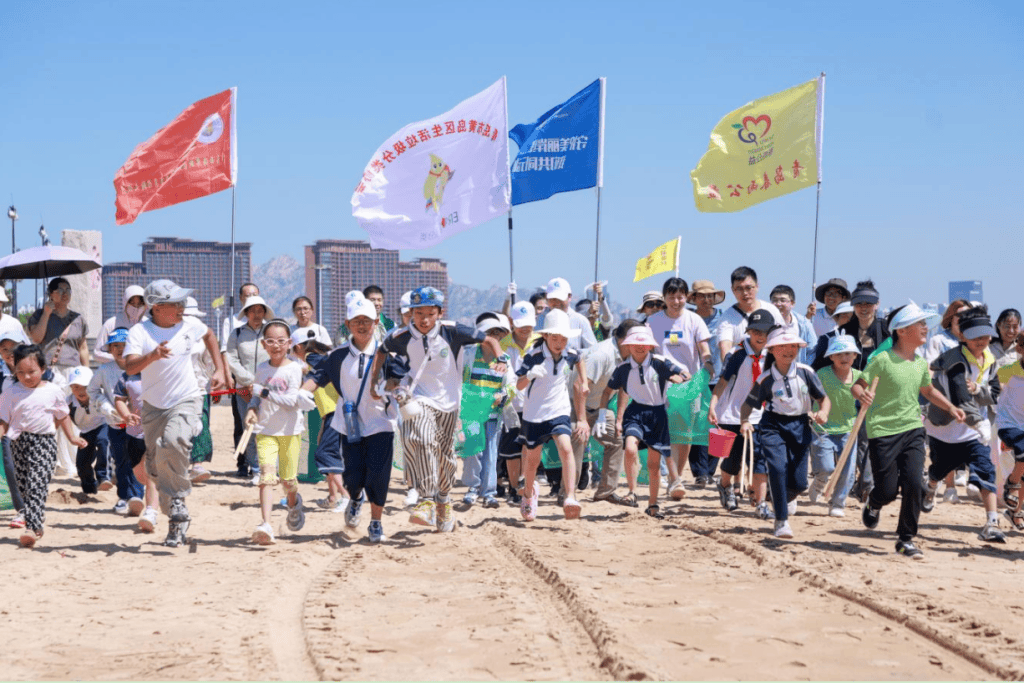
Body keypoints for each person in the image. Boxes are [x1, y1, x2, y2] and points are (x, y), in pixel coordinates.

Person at [370, 286, 504, 532]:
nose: (423, 319)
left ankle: (443, 499)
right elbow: (381, 351)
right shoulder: (401, 336)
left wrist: (500, 359)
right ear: (410, 313)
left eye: (429, 313)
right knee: (418, 436)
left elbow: (491, 339)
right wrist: (373, 382)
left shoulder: (453, 331)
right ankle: (427, 499)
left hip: (450, 404)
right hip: (419, 399)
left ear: (439, 313)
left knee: (446, 458)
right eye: (417, 313)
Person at [853, 302, 966, 560]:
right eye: (920, 323)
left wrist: (951, 407)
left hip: (913, 428)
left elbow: (927, 391)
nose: (926, 327)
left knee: (916, 483)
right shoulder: (882, 359)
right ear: (902, 331)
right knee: (888, 489)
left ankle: (906, 539)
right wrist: (863, 394)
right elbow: (858, 385)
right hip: (882, 431)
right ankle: (874, 502)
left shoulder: (919, 362)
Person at [124, 279, 227, 548]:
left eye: (182, 301)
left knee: (175, 441)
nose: (181, 306)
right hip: (153, 406)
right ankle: (176, 518)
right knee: (156, 465)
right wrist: (152, 356)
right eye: (175, 303)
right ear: (156, 307)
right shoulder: (140, 332)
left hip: (186, 399)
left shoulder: (189, 325)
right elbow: (130, 366)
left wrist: (219, 369)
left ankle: (178, 498)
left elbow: (210, 335)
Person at [306, 298, 396, 542]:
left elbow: (400, 378)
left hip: (381, 422)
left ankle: (376, 522)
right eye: (357, 321)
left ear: (376, 322)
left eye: (367, 321)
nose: (362, 325)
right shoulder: (337, 356)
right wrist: (301, 394)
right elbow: (317, 377)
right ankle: (355, 499)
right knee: (353, 477)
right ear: (347, 324)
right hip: (350, 424)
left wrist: (389, 387)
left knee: (378, 475)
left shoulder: (387, 353)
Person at [921, 307, 1005, 542]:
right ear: (962, 336)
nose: (982, 341)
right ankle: (930, 486)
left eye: (986, 335)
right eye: (976, 336)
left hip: (973, 433)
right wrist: (979, 422)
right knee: (940, 467)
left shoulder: (990, 360)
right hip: (945, 427)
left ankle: (991, 523)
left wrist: (979, 389)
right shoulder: (954, 360)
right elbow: (959, 395)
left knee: (985, 470)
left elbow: (995, 392)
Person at [740, 327, 829, 538]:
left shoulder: (806, 372)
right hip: (772, 426)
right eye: (782, 346)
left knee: (799, 483)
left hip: (801, 425)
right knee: (777, 468)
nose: (788, 350)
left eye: (793, 346)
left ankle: (775, 495)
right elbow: (748, 404)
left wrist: (823, 412)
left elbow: (823, 398)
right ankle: (781, 521)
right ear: (772, 350)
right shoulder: (766, 379)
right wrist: (744, 421)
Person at [0, 344, 87, 547]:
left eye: (31, 372)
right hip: (18, 444)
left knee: (36, 485)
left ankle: (32, 526)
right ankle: (36, 521)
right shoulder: (10, 393)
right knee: (23, 487)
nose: (27, 377)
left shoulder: (53, 391)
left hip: (44, 443)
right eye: (20, 372)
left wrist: (73, 438)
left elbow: (63, 416)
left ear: (43, 368)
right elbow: (3, 420)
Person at [598, 326, 686, 519]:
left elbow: (684, 374)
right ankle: (632, 491)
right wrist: (602, 414)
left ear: (650, 345)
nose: (640, 347)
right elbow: (607, 392)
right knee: (629, 448)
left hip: (658, 414)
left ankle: (653, 504)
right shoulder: (622, 368)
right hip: (635, 411)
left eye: (643, 343)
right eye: (635, 343)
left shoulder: (660, 362)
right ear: (628, 345)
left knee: (654, 465)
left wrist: (677, 378)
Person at [245, 319, 316, 545]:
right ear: (264, 344)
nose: (276, 345)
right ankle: (265, 524)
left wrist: (264, 393)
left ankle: (294, 503)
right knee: (266, 476)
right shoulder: (262, 368)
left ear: (290, 343)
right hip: (265, 430)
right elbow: (256, 396)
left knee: (288, 481)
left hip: (289, 432)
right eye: (271, 341)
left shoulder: (295, 369)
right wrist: (252, 409)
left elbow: (291, 402)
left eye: (281, 341)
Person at [515, 309, 588, 521]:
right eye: (554, 337)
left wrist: (583, 381)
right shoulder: (533, 356)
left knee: (566, 448)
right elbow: (518, 385)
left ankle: (570, 497)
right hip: (534, 413)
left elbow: (580, 358)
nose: (559, 342)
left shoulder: (570, 353)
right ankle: (528, 495)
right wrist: (529, 375)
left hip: (559, 410)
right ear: (545, 336)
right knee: (532, 461)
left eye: (563, 338)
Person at [645, 277, 714, 498]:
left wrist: (708, 362)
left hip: (687, 385)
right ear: (664, 298)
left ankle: (676, 478)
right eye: (672, 297)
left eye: (681, 296)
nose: (676, 301)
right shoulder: (653, 322)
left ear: (687, 297)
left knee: (683, 435)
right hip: (659, 383)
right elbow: (646, 350)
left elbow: (703, 348)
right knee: (663, 431)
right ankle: (668, 475)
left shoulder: (694, 320)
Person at [708, 309, 776, 517]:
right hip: (733, 412)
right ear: (749, 332)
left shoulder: (773, 354)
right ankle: (725, 485)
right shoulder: (737, 355)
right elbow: (722, 382)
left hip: (760, 414)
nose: (760, 335)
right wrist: (713, 405)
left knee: (758, 458)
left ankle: (760, 500)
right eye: (755, 331)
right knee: (733, 458)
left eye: (765, 331)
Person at [27, 277, 90, 474]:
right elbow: (36, 338)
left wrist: (87, 372)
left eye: (68, 290)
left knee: (70, 417)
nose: (65, 293)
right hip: (49, 371)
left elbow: (83, 347)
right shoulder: (38, 315)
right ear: (51, 294)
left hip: (72, 372)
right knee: (48, 416)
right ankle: (49, 461)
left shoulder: (78, 318)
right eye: (60, 289)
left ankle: (70, 463)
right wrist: (46, 313)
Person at [88, 327, 145, 516]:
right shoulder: (104, 370)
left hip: (139, 424)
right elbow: (92, 391)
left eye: (124, 345)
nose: (120, 349)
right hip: (116, 423)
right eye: (115, 346)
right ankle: (123, 496)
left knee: (137, 459)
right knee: (121, 460)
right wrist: (106, 407)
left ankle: (136, 496)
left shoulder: (143, 368)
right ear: (110, 349)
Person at [581, 319, 637, 507]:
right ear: (623, 341)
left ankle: (606, 491)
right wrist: (581, 419)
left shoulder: (630, 357)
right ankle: (566, 495)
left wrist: (619, 419)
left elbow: (624, 389)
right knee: (574, 448)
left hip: (599, 408)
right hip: (574, 405)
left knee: (615, 439)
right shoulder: (601, 354)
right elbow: (580, 387)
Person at [461, 313, 513, 508]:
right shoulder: (468, 354)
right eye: (489, 333)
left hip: (493, 413)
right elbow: (458, 379)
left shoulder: (505, 359)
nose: (493, 337)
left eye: (497, 333)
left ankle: (489, 492)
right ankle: (472, 487)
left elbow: (512, 385)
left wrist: (505, 394)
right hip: (471, 412)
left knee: (491, 452)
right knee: (472, 452)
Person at [807, 335, 863, 517]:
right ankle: (819, 481)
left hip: (849, 429)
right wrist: (810, 412)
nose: (843, 357)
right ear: (831, 357)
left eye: (848, 353)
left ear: (855, 356)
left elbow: (869, 399)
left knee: (848, 471)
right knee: (826, 466)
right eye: (838, 354)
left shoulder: (860, 377)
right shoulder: (821, 374)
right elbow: (809, 394)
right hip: (822, 428)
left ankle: (837, 503)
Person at [294, 331, 348, 513]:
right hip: (330, 413)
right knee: (323, 447)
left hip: (335, 411)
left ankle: (346, 496)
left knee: (326, 453)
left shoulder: (311, 357)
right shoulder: (315, 359)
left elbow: (326, 369)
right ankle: (333, 497)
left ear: (299, 347)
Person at [225, 295, 273, 481]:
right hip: (244, 389)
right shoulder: (236, 334)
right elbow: (232, 359)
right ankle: (255, 468)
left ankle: (269, 466)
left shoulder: (270, 333)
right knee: (250, 428)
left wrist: (261, 383)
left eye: (260, 310)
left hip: (268, 389)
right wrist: (248, 381)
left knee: (268, 428)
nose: (256, 314)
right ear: (246, 313)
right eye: (252, 311)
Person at [496, 301, 539, 507]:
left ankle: (525, 484)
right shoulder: (502, 344)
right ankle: (514, 488)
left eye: (529, 324)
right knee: (511, 448)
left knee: (529, 446)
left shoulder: (541, 341)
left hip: (536, 403)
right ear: (512, 322)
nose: (525, 329)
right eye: (521, 324)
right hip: (511, 404)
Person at [687, 280, 727, 487]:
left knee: (718, 427)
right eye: (702, 296)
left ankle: (711, 469)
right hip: (695, 379)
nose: (706, 299)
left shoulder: (723, 318)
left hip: (720, 379)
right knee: (698, 426)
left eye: (710, 295)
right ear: (693, 298)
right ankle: (700, 472)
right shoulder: (689, 319)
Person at [222, 282, 259, 473]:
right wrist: (236, 378)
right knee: (244, 424)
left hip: (265, 386)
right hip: (242, 385)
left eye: (255, 294)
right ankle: (246, 464)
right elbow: (229, 355)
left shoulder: (271, 329)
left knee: (266, 426)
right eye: (247, 295)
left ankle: (267, 466)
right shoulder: (233, 326)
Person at [716, 266, 784, 358]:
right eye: (739, 289)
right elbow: (725, 347)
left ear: (757, 286)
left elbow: (783, 339)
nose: (745, 293)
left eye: (748, 288)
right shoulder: (727, 318)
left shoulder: (772, 311)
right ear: (733, 290)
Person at [183, 297, 215, 483]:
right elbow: (208, 361)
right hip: (194, 386)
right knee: (199, 422)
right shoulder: (203, 331)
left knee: (194, 423)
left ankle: (194, 464)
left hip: (193, 387)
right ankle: (196, 464)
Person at [66, 366, 111, 494]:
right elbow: (62, 417)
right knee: (82, 463)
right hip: (85, 431)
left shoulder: (99, 396)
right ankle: (89, 490)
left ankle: (104, 476)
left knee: (103, 441)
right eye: (76, 387)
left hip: (103, 425)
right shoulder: (68, 402)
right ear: (71, 388)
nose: (81, 391)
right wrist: (72, 437)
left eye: (85, 387)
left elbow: (112, 410)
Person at [996, 331, 1024, 532]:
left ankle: (1015, 512)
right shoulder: (1009, 370)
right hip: (1008, 424)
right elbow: (994, 387)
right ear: (1020, 349)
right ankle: (1012, 483)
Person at [0, 331, 28, 528]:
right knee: (11, 469)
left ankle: (31, 508)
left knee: (30, 471)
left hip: (32, 430)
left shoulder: (33, 371)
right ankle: (22, 510)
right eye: (4, 349)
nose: (9, 352)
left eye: (13, 347)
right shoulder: (2, 375)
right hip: (8, 430)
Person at [838, 280, 889, 371]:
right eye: (859, 304)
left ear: (877, 304)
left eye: (868, 304)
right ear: (853, 306)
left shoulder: (887, 330)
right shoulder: (843, 332)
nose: (863, 308)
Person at [536, 277, 597, 351]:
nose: (556, 302)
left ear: (569, 297)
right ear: (546, 297)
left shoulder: (580, 321)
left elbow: (593, 351)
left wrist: (575, 356)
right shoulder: (540, 319)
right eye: (552, 299)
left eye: (560, 299)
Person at [94, 285, 147, 364]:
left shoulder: (147, 324)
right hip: (115, 372)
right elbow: (97, 353)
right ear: (125, 303)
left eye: (139, 304)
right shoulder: (111, 323)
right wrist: (119, 358)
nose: (136, 308)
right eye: (132, 304)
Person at [769, 285, 817, 366]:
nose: (778, 304)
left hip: (797, 372)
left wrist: (804, 371)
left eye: (783, 300)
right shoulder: (765, 323)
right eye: (774, 300)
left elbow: (812, 351)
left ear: (792, 303)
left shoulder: (804, 324)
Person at [810, 302, 855, 371]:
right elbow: (817, 366)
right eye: (844, 315)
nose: (849, 319)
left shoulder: (862, 338)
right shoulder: (826, 339)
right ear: (836, 318)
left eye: (853, 316)